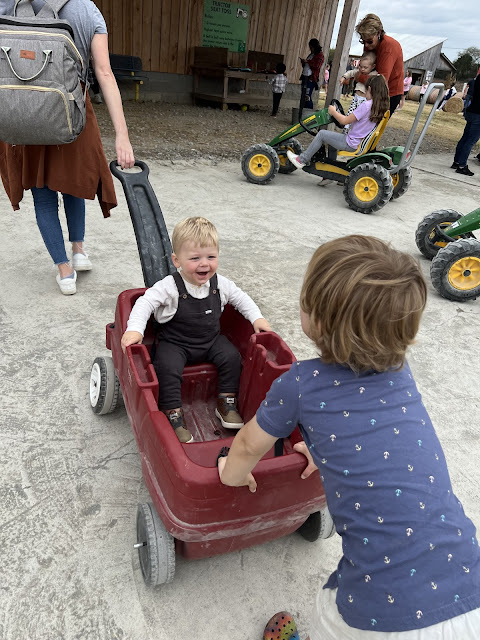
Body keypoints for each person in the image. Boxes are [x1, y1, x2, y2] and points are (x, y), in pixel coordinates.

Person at [218, 234, 480, 640]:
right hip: (470, 588)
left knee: (330, 610)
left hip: (385, 610)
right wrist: (321, 448)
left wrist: (230, 473)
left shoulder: (300, 384)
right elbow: (373, 433)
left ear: (318, 322)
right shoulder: (401, 373)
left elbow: (249, 444)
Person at [0, 0, 135, 295]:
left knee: (43, 196)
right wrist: (121, 135)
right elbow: (104, 73)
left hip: (22, 110)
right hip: (70, 110)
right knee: (72, 183)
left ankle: (64, 271)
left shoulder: (10, 3)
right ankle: (78, 250)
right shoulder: (87, 10)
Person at [121, 217, 271, 444]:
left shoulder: (221, 284)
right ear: (177, 260)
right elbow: (145, 302)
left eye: (211, 257)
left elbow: (241, 298)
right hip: (175, 343)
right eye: (195, 258)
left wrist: (257, 318)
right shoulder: (169, 286)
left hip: (210, 340)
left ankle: (226, 402)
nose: (204, 264)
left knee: (231, 357)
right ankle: (172, 412)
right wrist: (135, 330)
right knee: (167, 367)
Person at [286, 74, 389, 168]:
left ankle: (302, 160)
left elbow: (345, 121)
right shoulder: (379, 107)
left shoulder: (366, 105)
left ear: (369, 89)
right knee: (332, 140)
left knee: (322, 134)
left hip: (351, 143)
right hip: (360, 143)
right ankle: (330, 170)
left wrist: (333, 112)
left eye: (366, 90)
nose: (365, 93)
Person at [355, 13, 404, 116]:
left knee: (374, 124)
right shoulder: (370, 45)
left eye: (369, 41)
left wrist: (359, 77)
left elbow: (382, 80)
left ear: (378, 33)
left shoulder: (389, 47)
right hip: (372, 90)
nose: (366, 45)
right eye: (363, 41)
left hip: (389, 93)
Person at [451, 71, 480, 176]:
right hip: (478, 114)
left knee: (465, 138)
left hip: (472, 110)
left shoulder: (477, 79)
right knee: (470, 141)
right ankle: (462, 166)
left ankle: (457, 162)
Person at [340, 51, 378, 117]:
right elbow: (351, 72)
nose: (362, 69)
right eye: (361, 66)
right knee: (351, 113)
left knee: (361, 116)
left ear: (373, 66)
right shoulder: (359, 71)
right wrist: (344, 77)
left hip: (365, 100)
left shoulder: (374, 74)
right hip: (356, 98)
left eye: (365, 67)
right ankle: (348, 122)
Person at [300, 38, 324, 109]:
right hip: (305, 76)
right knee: (303, 95)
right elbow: (307, 65)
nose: (310, 49)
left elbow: (317, 66)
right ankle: (302, 110)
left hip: (311, 77)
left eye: (311, 47)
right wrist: (304, 63)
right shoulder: (311, 54)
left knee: (307, 96)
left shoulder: (320, 55)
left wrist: (308, 62)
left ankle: (309, 111)